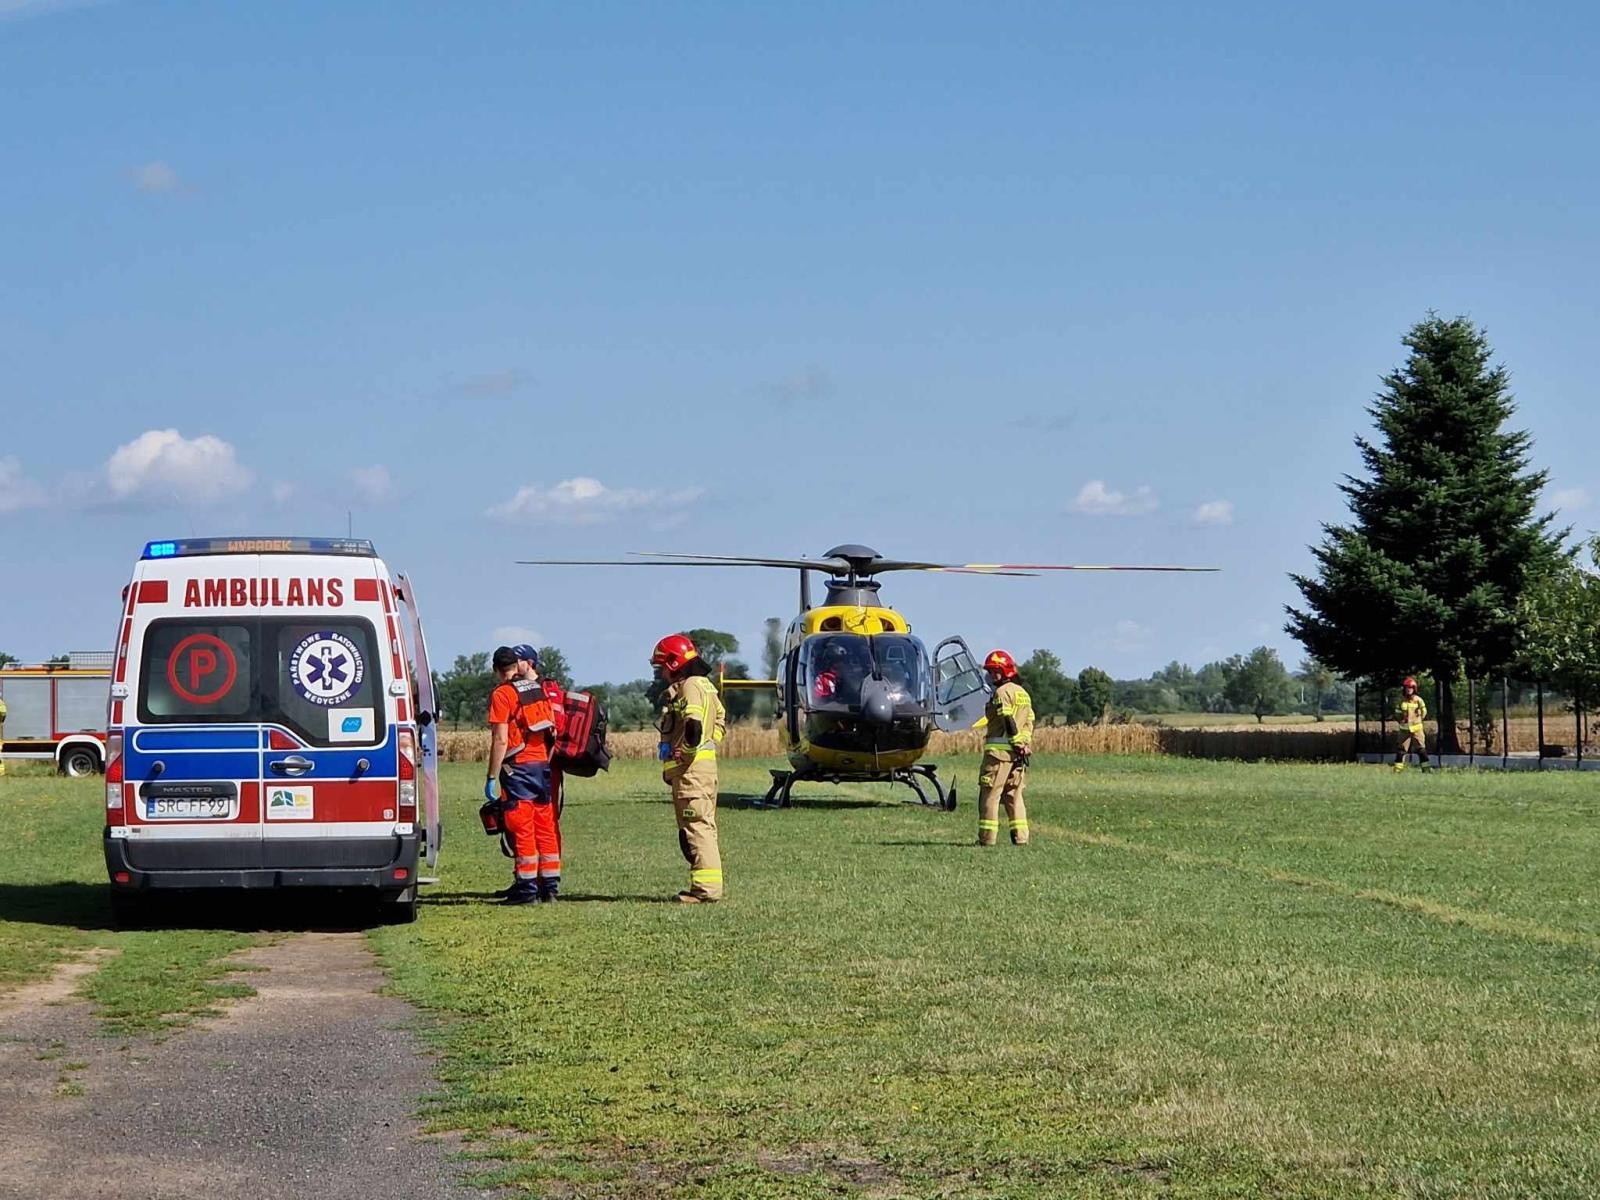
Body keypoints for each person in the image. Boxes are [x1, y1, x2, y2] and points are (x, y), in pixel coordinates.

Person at [652, 633, 726, 903]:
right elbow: (720, 721)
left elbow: (693, 725)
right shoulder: (706, 686)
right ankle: (706, 888)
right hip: (702, 771)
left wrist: (687, 752)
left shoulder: (691, 686)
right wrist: (706, 746)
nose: (662, 674)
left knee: (696, 829)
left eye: (662, 667)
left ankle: (706, 891)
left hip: (691, 773)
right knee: (703, 827)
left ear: (673, 664)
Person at [485, 645, 560, 904]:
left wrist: (492, 776)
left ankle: (527, 889)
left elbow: (500, 739)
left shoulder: (502, 694)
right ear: (516, 666)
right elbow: (552, 731)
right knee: (545, 827)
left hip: (518, 768)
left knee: (522, 828)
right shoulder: (537, 689)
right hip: (542, 766)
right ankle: (550, 887)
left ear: (496, 670)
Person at [977, 649, 1034, 846]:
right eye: (990, 672)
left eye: (996, 671)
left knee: (990, 795)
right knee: (1014, 795)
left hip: (999, 755)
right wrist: (1023, 744)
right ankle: (1021, 837)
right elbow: (1029, 721)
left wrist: (1017, 742)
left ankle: (987, 838)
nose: (992, 675)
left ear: (1005, 670)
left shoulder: (1001, 693)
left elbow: (1007, 719)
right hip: (1018, 755)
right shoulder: (1023, 694)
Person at [1395, 676, 1430, 771]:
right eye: (1407, 687)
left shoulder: (1418, 700)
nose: (1409, 689)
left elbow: (1424, 711)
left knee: (1421, 750)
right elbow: (1397, 712)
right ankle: (1397, 770)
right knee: (1401, 751)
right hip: (1404, 730)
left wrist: (1419, 720)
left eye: (1411, 688)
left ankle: (1426, 769)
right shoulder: (1401, 700)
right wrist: (1400, 719)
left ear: (1414, 689)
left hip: (1417, 729)